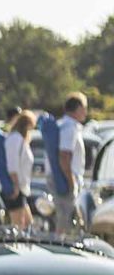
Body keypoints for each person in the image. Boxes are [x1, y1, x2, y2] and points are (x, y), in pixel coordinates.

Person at [55, 92, 88, 234]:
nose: (86, 112)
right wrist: (71, 182)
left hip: (67, 179)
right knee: (66, 226)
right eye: (85, 108)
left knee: (66, 223)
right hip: (68, 180)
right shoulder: (69, 127)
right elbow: (64, 156)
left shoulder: (65, 125)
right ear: (78, 108)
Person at [3, 110, 35, 230]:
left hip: (22, 188)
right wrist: (15, 186)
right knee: (18, 226)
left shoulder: (20, 140)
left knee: (27, 223)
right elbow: (12, 165)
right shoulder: (14, 139)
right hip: (16, 187)